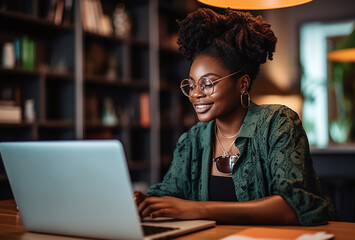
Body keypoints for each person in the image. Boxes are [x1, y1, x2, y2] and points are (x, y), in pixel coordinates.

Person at [134, 8, 339, 226]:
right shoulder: (192, 141)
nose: (195, 94)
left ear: (242, 83)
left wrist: (197, 209)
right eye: (192, 85)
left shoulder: (278, 124)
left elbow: (292, 206)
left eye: (208, 83)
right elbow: (168, 194)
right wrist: (145, 201)